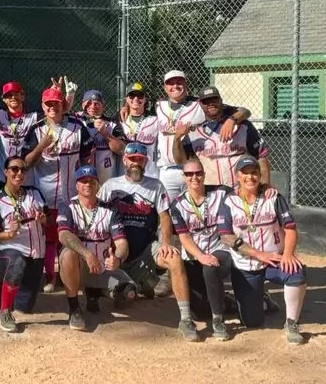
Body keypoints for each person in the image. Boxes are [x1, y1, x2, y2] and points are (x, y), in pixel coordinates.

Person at [98, 143, 199, 341]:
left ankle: (186, 319)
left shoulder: (155, 185)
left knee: (175, 259)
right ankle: (139, 284)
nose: (136, 163)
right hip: (116, 253)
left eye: (140, 160)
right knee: (124, 297)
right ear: (125, 160)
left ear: (146, 162)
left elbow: (164, 216)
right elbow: (98, 214)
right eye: (132, 159)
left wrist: (165, 243)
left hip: (146, 249)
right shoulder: (110, 186)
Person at [217, 155, 307, 345]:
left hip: (274, 258)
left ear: (260, 176)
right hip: (246, 265)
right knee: (252, 321)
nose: (250, 177)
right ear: (237, 177)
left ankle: (291, 323)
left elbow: (290, 229)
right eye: (245, 173)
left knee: (296, 272)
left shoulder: (272, 197)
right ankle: (261, 298)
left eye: (254, 173)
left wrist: (288, 255)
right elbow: (226, 236)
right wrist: (259, 254)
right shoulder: (229, 202)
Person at [22, 86, 94, 293]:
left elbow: (87, 156)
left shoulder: (78, 127)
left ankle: (68, 275)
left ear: (63, 105)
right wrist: (40, 146)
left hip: (71, 192)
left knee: (69, 235)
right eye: (48, 104)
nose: (53, 107)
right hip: (44, 192)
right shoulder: (36, 129)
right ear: (43, 107)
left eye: (56, 103)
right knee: (49, 238)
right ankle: (51, 277)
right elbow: (27, 162)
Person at [57, 166, 136, 331]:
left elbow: (122, 243)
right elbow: (63, 235)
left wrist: (118, 259)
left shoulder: (109, 209)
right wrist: (87, 254)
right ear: (77, 185)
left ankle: (95, 292)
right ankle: (74, 308)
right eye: (83, 181)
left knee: (129, 293)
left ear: (98, 184)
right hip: (78, 266)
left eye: (92, 181)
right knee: (68, 254)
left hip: (101, 266)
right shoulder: (67, 206)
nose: (88, 185)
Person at [155, 70, 250, 201]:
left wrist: (232, 120)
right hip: (167, 169)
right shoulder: (159, 105)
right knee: (168, 210)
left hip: (193, 167)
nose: (175, 86)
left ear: (186, 84)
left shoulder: (201, 104)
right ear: (164, 87)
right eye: (170, 83)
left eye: (179, 82)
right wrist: (125, 107)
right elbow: (137, 111)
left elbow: (244, 111)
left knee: (193, 209)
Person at [170, 159, 232, 341]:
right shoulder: (178, 204)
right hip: (193, 256)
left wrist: (266, 188)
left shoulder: (222, 192)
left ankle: (218, 321)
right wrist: (200, 256)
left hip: (220, 248)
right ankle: (227, 301)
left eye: (198, 173)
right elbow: (184, 237)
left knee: (210, 268)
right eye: (189, 174)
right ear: (184, 177)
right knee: (199, 311)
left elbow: (245, 194)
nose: (194, 177)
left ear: (204, 174)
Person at [0, 156, 47, 333]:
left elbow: (49, 222)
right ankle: (3, 313)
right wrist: (7, 233)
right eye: (14, 169)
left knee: (24, 307)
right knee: (17, 263)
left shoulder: (35, 193)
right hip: (8, 250)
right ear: (5, 172)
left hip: (36, 254)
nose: (19, 173)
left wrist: (44, 219)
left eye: (23, 169)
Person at [173, 86, 270, 187]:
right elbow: (181, 161)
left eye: (214, 99)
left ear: (221, 100)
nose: (210, 104)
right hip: (210, 191)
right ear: (200, 104)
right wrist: (176, 139)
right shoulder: (195, 131)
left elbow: (261, 156)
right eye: (206, 101)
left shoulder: (242, 126)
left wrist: (265, 184)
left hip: (239, 190)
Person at [75, 89, 126, 184]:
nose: (93, 106)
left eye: (97, 103)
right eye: (89, 103)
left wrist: (105, 133)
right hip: (84, 179)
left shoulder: (112, 124)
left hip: (107, 180)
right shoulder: (76, 123)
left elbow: (122, 150)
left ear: (103, 106)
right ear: (83, 105)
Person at [118, 82, 159, 179]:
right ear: (127, 99)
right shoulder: (119, 120)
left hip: (150, 173)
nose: (136, 99)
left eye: (140, 96)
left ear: (145, 99)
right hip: (124, 174)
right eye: (132, 96)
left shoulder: (155, 120)